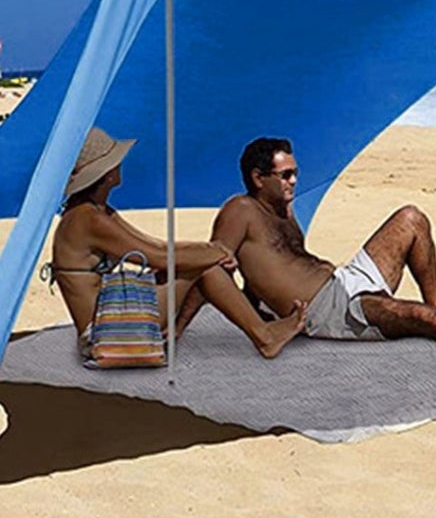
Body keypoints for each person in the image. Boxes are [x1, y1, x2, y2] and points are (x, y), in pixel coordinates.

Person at [209, 137, 436, 346]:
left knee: (411, 218)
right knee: (421, 319)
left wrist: (262, 304)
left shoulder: (283, 209)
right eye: (286, 175)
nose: (294, 181)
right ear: (257, 177)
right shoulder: (240, 209)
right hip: (330, 312)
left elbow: (268, 269)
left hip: (344, 280)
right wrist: (257, 326)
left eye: (295, 172)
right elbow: (212, 271)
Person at [50, 128, 304, 360]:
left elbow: (156, 246)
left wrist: (212, 251)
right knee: (206, 269)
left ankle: (177, 332)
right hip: (104, 331)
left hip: (113, 313)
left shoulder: (96, 210)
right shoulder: (89, 219)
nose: (120, 164)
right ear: (105, 174)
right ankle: (264, 337)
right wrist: (214, 256)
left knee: (203, 263)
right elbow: (157, 257)